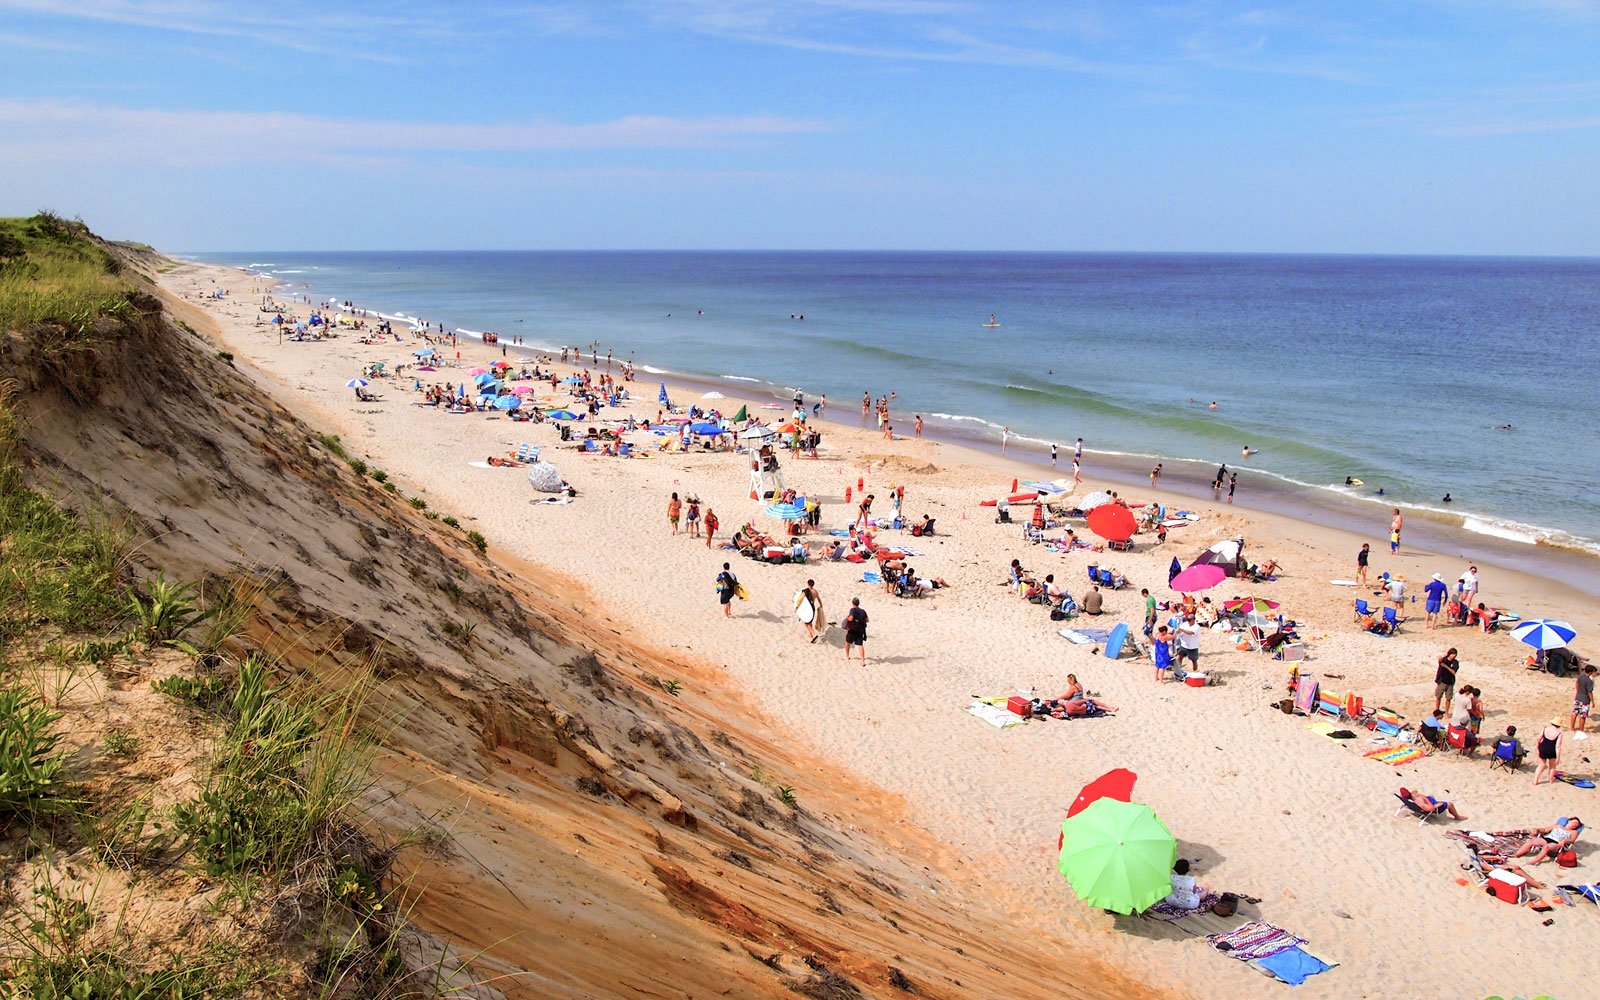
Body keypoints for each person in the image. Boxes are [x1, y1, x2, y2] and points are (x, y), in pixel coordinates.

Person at [1509, 817, 1582, 863]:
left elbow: (1572, 840)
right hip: (1547, 838)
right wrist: (1538, 829)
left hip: (1557, 843)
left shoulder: (1573, 832)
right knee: (1531, 841)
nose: (1575, 824)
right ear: (1569, 821)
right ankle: (1516, 855)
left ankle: (1534, 861)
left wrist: (1565, 841)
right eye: (1574, 822)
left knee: (1547, 847)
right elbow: (1545, 830)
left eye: (1577, 825)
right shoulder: (1558, 826)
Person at [1400, 787, 1465, 820]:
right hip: (1433, 807)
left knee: (1431, 796)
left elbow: (1415, 790)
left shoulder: (1408, 799)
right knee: (1450, 804)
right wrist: (1439, 804)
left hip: (1427, 802)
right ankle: (1457, 817)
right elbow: (1431, 808)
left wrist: (1414, 794)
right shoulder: (1420, 802)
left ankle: (1434, 800)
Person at [1534, 720, 1564, 786]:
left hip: (1543, 748)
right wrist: (1558, 758)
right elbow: (1558, 746)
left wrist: (1537, 748)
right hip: (1552, 750)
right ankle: (1550, 780)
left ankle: (1536, 780)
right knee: (1552, 766)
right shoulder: (1559, 733)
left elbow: (1538, 739)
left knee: (1541, 765)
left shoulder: (1545, 729)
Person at [1572, 664, 1596, 736]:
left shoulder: (1580, 676)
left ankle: (1572, 727)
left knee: (1575, 713)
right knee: (1583, 716)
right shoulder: (1589, 681)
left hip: (1578, 697)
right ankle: (1581, 730)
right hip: (1585, 700)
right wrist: (1593, 701)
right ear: (1590, 672)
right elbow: (1589, 692)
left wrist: (1578, 691)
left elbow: (1576, 684)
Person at [843, 598, 868, 663]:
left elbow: (851, 619)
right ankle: (862, 660)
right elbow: (867, 620)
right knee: (860, 645)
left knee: (847, 642)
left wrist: (847, 617)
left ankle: (847, 656)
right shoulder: (863, 611)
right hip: (860, 629)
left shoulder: (852, 610)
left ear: (853, 603)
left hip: (853, 629)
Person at [1434, 649, 1459, 713]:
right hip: (1442, 681)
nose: (1453, 656)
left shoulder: (1455, 662)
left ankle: (1446, 712)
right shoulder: (1444, 660)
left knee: (1448, 698)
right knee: (1438, 697)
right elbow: (1439, 660)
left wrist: (1446, 666)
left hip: (1450, 682)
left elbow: (1453, 672)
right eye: (1452, 654)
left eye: (1455, 654)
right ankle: (1437, 710)